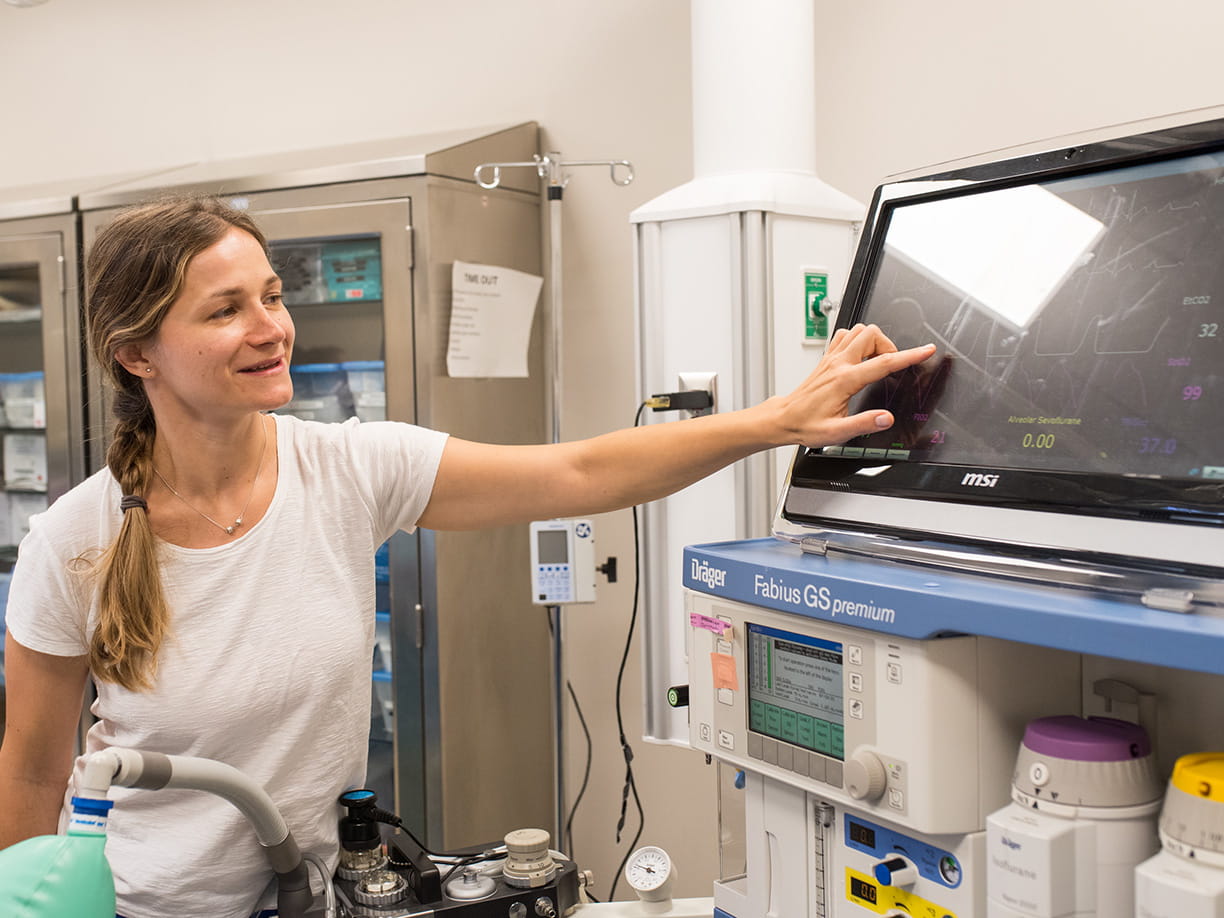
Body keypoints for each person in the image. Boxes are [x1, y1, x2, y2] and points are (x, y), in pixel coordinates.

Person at [0, 195, 935, 918]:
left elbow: (578, 470)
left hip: (317, 892)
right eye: (225, 311)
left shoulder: (349, 470)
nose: (271, 327)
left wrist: (778, 420)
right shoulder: (76, 541)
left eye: (273, 296)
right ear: (137, 356)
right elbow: (34, 776)